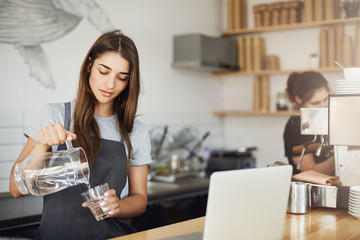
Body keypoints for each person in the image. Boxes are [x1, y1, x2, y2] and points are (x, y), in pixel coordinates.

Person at [9, 30, 152, 239]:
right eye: (104, 71)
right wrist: (42, 144)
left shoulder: (134, 130)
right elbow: (15, 189)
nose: (110, 85)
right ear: (89, 66)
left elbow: (139, 199)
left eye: (122, 78)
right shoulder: (55, 115)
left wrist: (118, 206)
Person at [283, 71, 334, 175]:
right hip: (310, 189)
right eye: (315, 103)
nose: (323, 106)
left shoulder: (328, 118)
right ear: (299, 99)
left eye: (325, 99)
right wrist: (339, 156)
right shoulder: (294, 127)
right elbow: (311, 172)